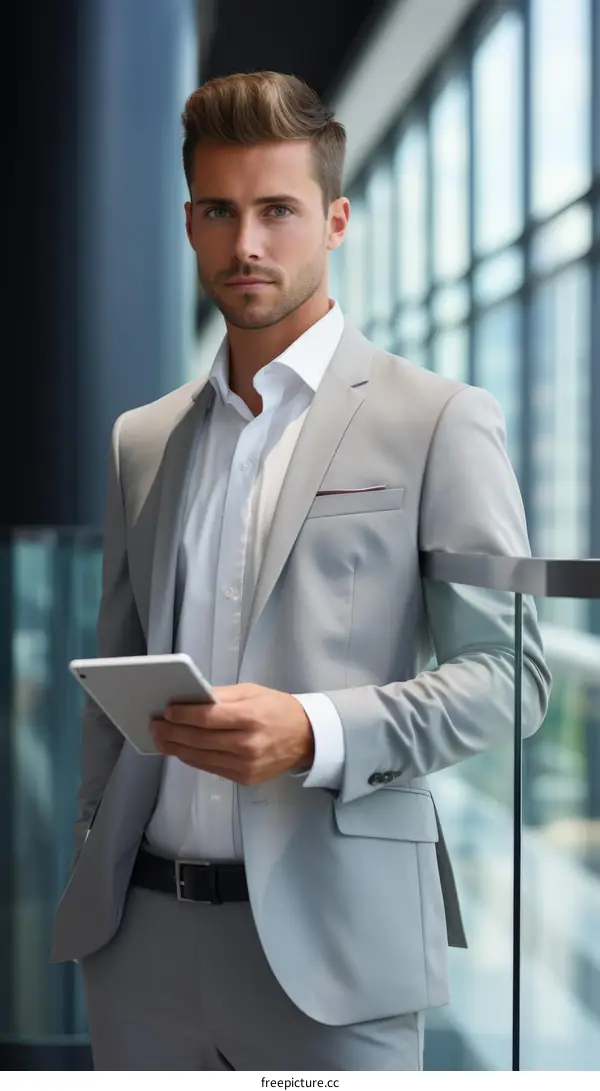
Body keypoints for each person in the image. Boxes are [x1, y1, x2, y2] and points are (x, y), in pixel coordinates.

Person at [51, 71, 551, 1071]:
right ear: (189, 223)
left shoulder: (438, 419)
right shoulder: (142, 440)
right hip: (138, 943)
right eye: (221, 211)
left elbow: (513, 678)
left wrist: (313, 731)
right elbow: (115, 672)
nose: (247, 244)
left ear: (335, 220)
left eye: (277, 210)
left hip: (336, 956)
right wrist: (94, 839)